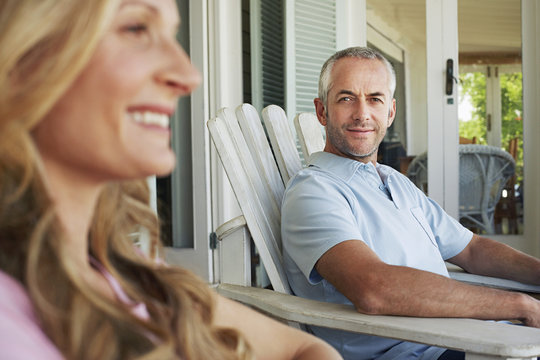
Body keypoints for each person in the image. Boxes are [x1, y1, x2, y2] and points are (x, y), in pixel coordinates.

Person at [0, 1, 343, 359]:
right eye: (136, 28)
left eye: (172, 34)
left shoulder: (125, 271)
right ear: (24, 56)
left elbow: (304, 348)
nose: (188, 75)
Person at [281, 46, 540, 360]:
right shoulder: (314, 190)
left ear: (389, 112)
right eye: (346, 98)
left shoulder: (394, 181)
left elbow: (472, 249)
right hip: (416, 351)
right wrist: (519, 305)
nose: (362, 113)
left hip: (468, 338)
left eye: (374, 99)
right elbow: (373, 289)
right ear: (322, 111)